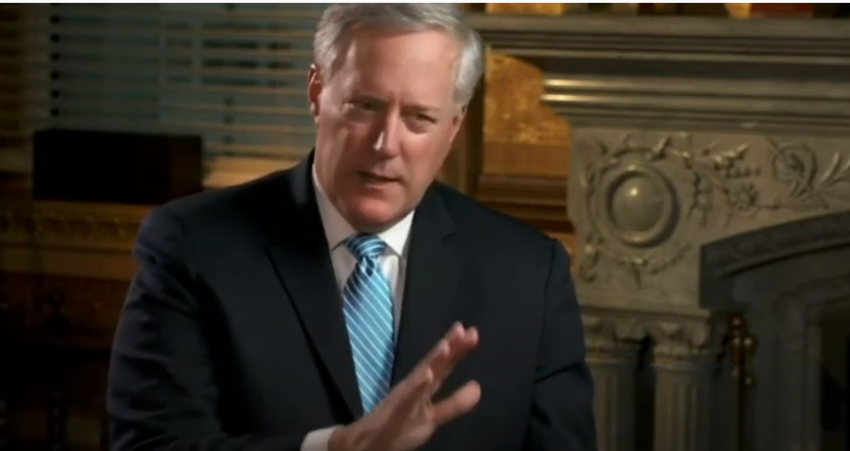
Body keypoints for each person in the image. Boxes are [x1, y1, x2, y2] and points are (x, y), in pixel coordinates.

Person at [106, 4, 597, 451]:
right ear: (317, 92)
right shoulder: (194, 246)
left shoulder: (530, 274)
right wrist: (338, 449)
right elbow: (150, 446)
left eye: (419, 118)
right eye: (365, 106)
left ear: (453, 126)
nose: (386, 144)